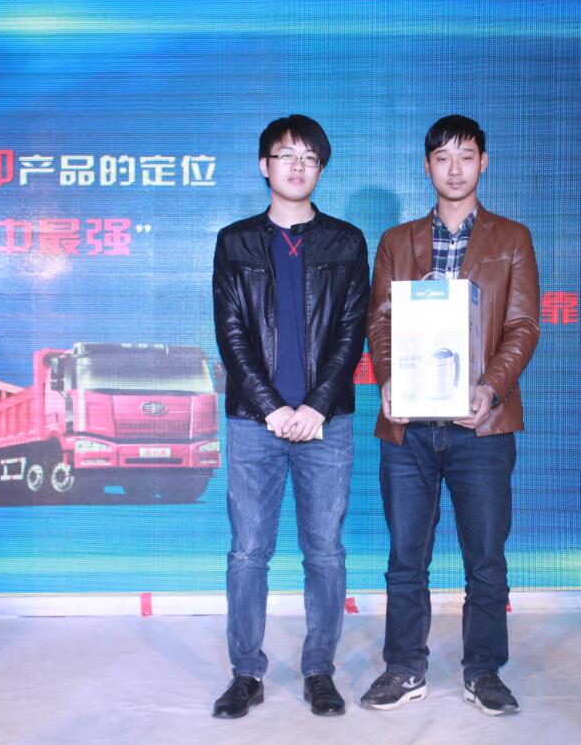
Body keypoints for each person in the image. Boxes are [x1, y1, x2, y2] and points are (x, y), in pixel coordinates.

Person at [362, 115, 540, 716]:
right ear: (427, 166)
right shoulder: (397, 241)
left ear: (483, 162)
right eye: (443, 157)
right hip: (409, 430)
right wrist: (389, 378)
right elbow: (380, 322)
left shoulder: (511, 238)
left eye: (466, 156)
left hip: (481, 427)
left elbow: (523, 325)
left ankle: (483, 671)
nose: (455, 168)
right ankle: (403, 667)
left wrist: (490, 387)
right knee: (404, 558)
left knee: (485, 558)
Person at [212, 115, 369, 718]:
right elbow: (231, 334)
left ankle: (319, 670)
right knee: (248, 552)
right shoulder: (236, 242)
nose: (297, 166)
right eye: (285, 155)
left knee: (325, 552)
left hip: (327, 424)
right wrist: (273, 408)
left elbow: (351, 334)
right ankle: (245, 673)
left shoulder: (345, 242)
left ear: (321, 169)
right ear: (264, 166)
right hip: (254, 424)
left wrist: (315, 406)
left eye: (309, 157)